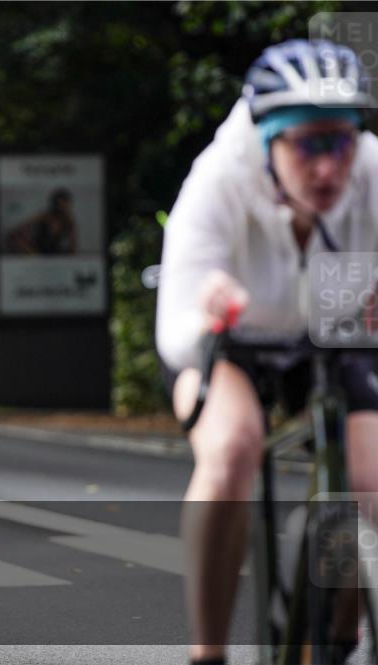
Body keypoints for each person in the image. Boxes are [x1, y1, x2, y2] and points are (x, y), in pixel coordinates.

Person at [156, 39, 378, 665]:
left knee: (370, 482)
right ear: (269, 141)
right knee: (231, 452)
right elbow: (176, 325)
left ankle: (339, 639)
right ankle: (209, 653)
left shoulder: (372, 170)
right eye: (308, 145)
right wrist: (212, 306)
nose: (329, 167)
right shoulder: (220, 177)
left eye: (341, 141)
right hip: (234, 336)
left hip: (336, 335)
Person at [6, 187, 78, 254]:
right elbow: (20, 228)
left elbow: (73, 244)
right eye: (59, 205)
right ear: (54, 204)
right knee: (14, 238)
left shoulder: (68, 220)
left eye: (64, 205)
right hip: (37, 250)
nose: (61, 208)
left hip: (54, 252)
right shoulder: (44, 216)